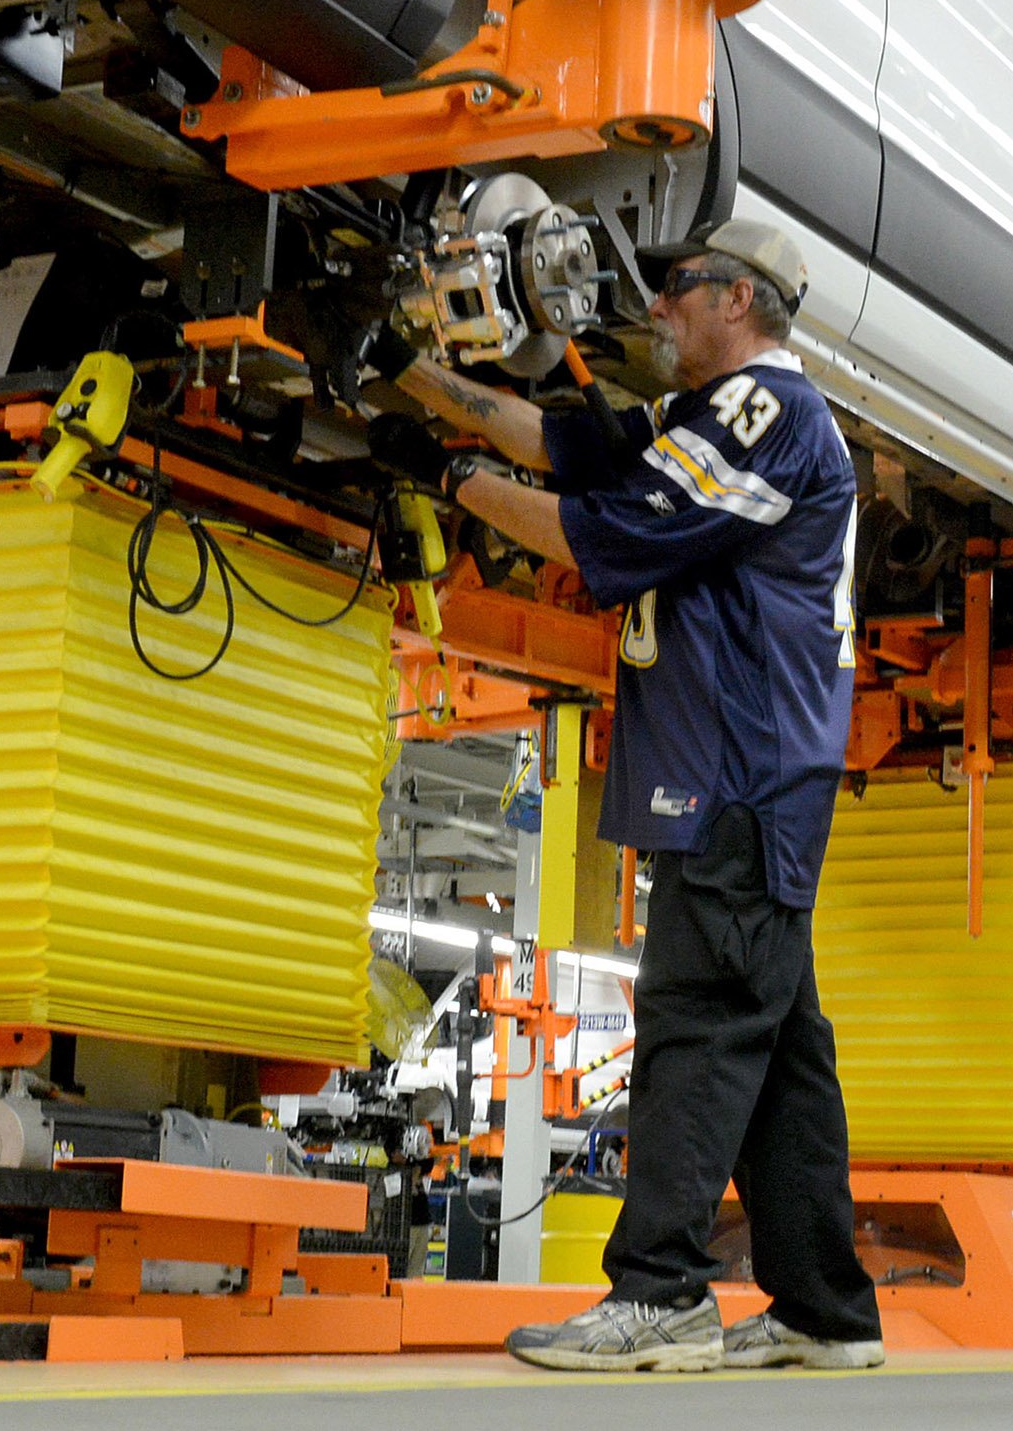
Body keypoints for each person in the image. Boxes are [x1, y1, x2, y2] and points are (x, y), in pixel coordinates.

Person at [366, 217, 880, 1375]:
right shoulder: (707, 421)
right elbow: (571, 448)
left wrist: (454, 482)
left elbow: (612, 530)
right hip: (747, 778)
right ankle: (824, 1310)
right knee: (782, 1055)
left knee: (693, 1029)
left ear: (739, 300)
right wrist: (410, 376)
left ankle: (660, 1296)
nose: (657, 305)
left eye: (679, 286)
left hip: (736, 777)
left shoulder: (766, 414)